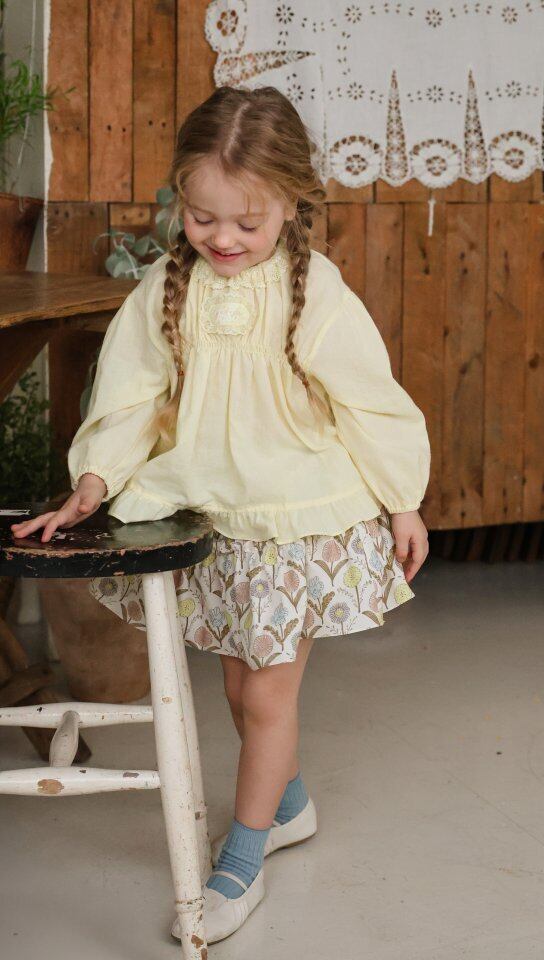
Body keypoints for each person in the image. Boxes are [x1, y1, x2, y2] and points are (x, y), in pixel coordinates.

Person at [11, 85, 430, 943]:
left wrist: (403, 499)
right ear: (181, 199)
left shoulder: (316, 291)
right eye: (204, 219)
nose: (224, 239)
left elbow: (370, 399)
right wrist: (93, 480)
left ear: (292, 204)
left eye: (246, 222)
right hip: (214, 514)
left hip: (298, 517)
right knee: (241, 688)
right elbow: (129, 395)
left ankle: (242, 857)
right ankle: (291, 805)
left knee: (266, 695)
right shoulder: (167, 288)